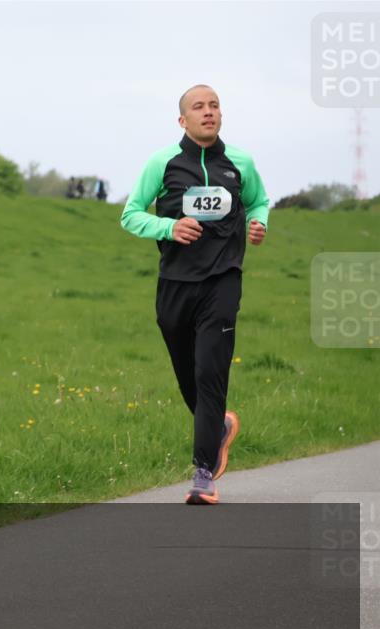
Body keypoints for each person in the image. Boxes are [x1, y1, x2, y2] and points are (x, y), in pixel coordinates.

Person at [120, 84, 268, 505]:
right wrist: (169, 228)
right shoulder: (162, 162)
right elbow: (130, 214)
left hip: (223, 281)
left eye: (215, 105)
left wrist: (259, 224)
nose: (209, 111)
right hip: (175, 285)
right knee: (187, 371)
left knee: (210, 372)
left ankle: (203, 472)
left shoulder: (240, 162)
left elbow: (259, 202)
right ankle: (218, 426)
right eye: (198, 107)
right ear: (182, 120)